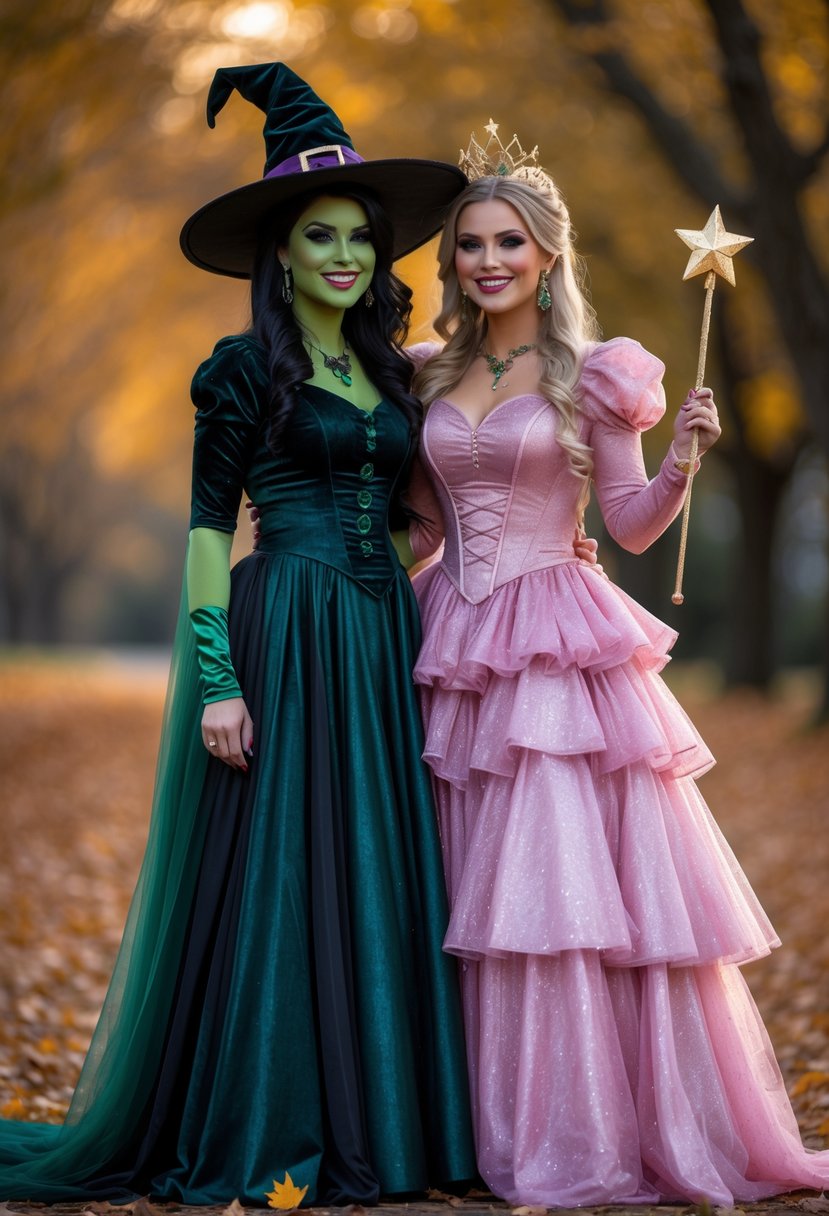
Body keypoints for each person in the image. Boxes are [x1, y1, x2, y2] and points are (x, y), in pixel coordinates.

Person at [0, 62, 480, 1206]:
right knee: (281, 873)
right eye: (319, 237)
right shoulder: (241, 371)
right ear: (281, 251)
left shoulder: (385, 370)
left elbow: (422, 516)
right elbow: (209, 536)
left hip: (377, 639)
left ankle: (393, 1128)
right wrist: (217, 678)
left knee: (372, 865)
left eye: (359, 237)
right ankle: (266, 1114)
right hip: (283, 632)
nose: (344, 257)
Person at [401, 127, 829, 1208]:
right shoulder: (425, 372)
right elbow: (414, 523)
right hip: (446, 631)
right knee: (455, 878)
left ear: (547, 255)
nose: (487, 261)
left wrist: (682, 458)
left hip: (555, 637)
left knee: (554, 894)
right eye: (468, 246)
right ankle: (459, 1122)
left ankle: (568, 1128)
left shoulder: (597, 374)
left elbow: (630, 526)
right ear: (450, 262)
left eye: (509, 242)